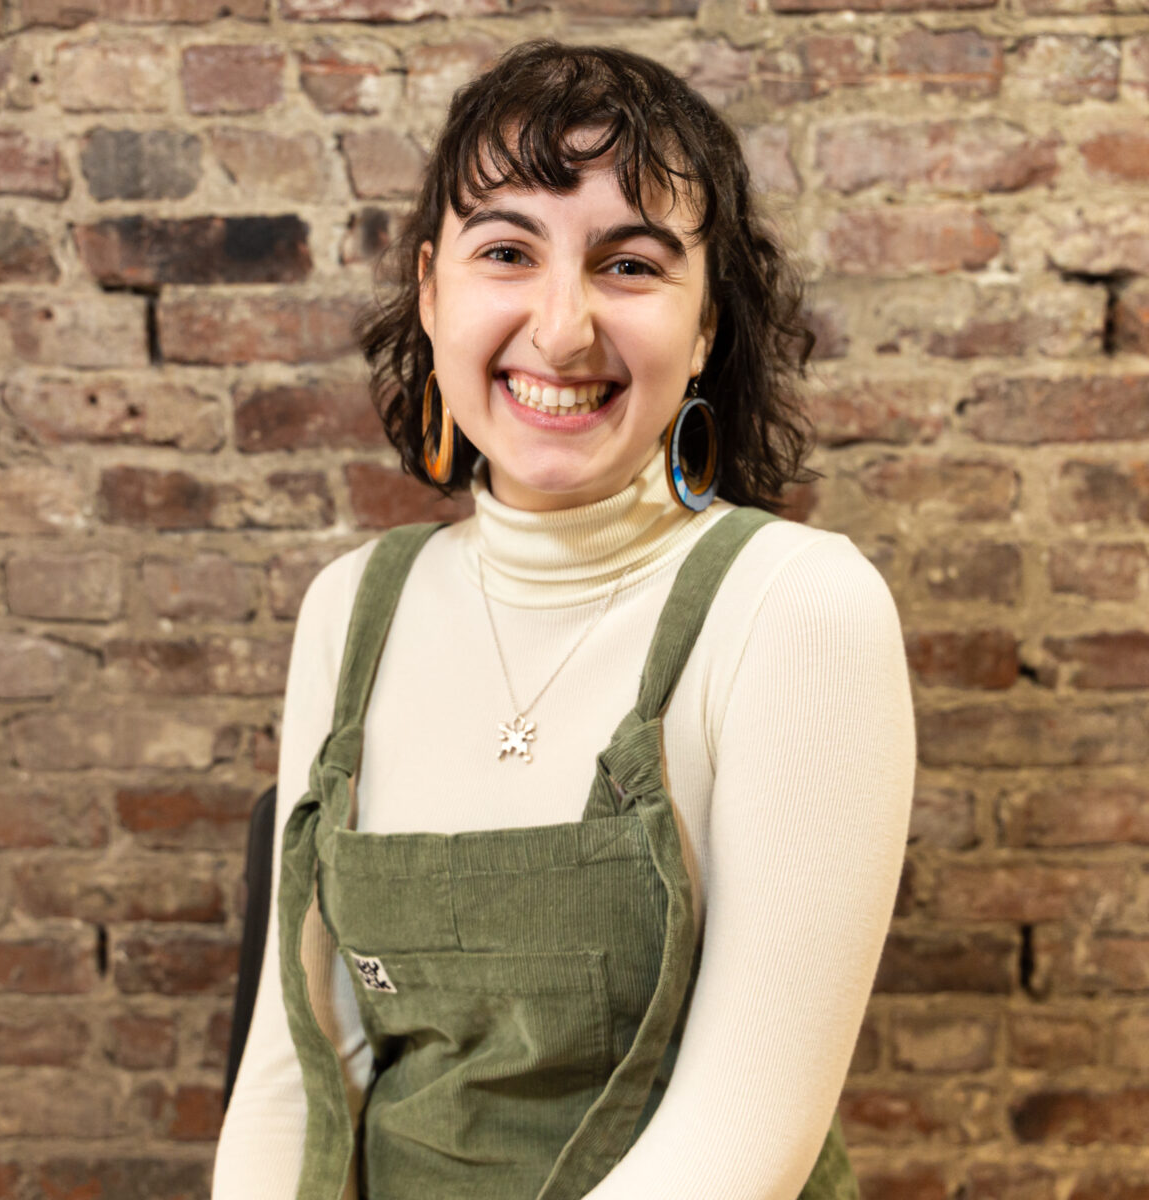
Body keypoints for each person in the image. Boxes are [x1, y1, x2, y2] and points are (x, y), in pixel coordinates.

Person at [213, 39, 915, 1200]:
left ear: (707, 330)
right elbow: (297, 1069)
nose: (561, 328)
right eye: (507, 252)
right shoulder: (352, 610)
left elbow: (743, 1137)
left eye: (629, 267)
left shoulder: (796, 608)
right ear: (433, 290)